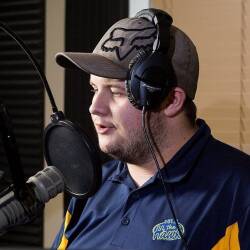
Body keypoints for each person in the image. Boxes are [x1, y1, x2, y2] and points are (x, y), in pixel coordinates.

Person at [52, 8, 250, 250]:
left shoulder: (239, 192)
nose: (94, 107)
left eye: (116, 91)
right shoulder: (93, 187)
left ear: (171, 101)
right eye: (94, 89)